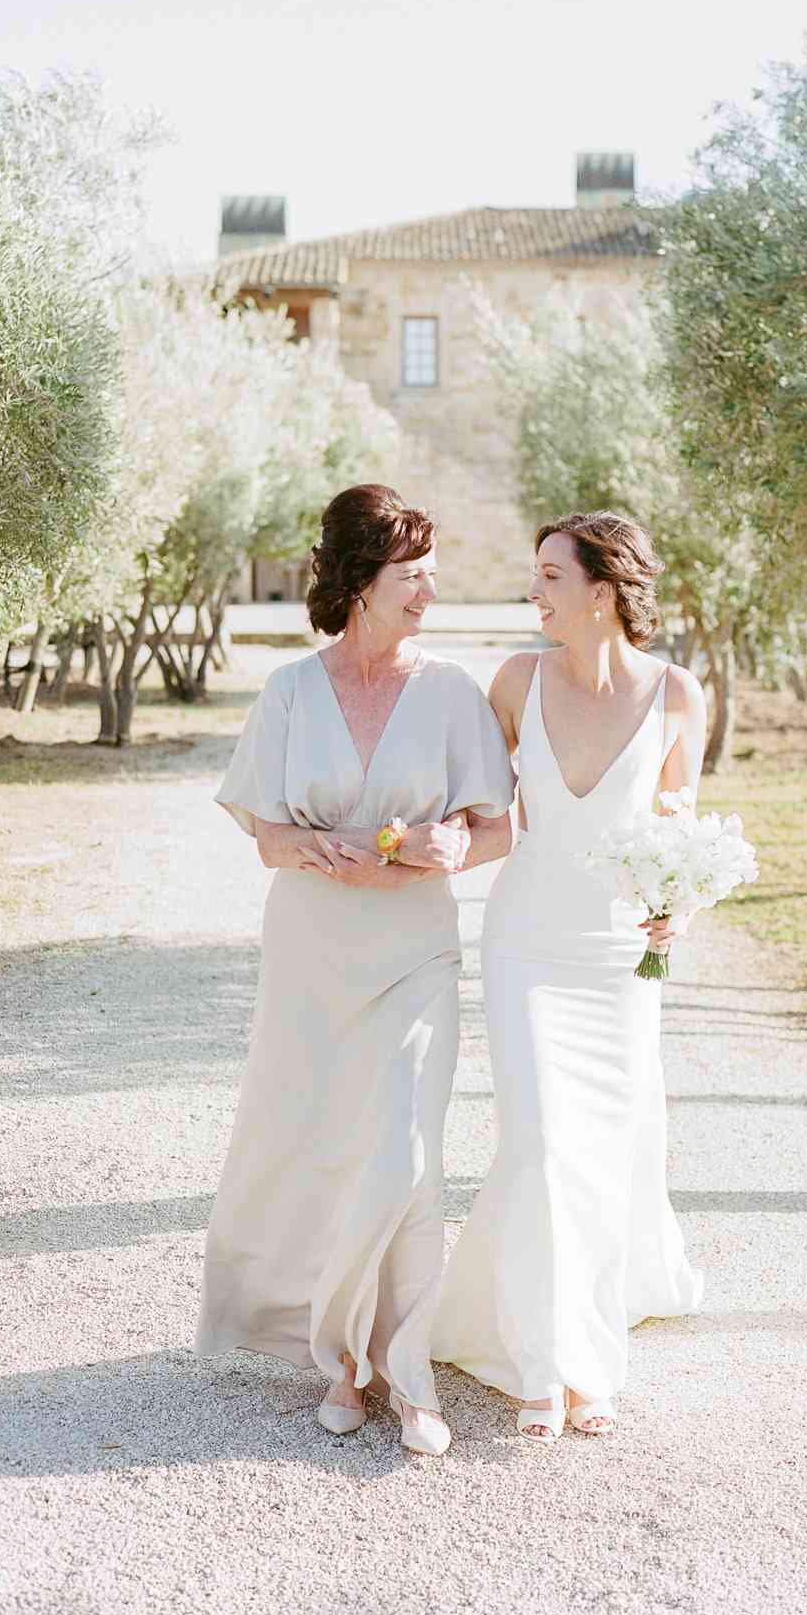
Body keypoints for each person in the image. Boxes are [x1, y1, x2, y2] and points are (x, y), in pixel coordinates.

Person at [195, 483, 514, 1457]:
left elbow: (494, 827)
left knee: (407, 1153)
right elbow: (264, 835)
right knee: (330, 1145)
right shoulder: (290, 693)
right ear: (359, 583)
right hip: (311, 952)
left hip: (414, 948)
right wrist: (308, 849)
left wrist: (452, 847)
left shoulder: (453, 691)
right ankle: (343, 1361)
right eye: (409, 577)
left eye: (429, 576)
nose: (426, 593)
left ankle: (409, 1373)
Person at [432, 510, 705, 1442]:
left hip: (618, 962)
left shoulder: (678, 696)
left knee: (598, 1153)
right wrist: (419, 854)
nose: (534, 590)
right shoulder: (515, 682)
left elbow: (681, 835)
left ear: (603, 589)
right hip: (528, 949)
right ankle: (551, 1367)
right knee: (546, 1145)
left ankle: (570, 1347)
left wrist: (683, 906)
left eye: (551, 575)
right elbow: (495, 820)